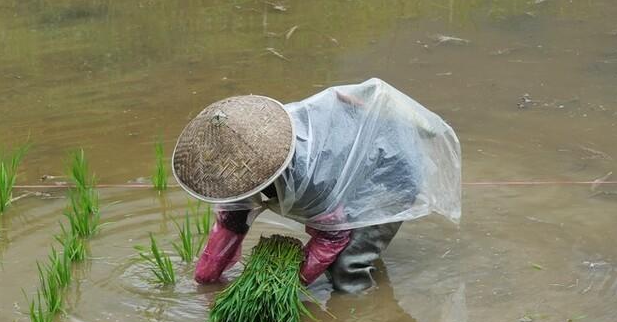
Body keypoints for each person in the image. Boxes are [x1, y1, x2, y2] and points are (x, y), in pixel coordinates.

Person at [171, 78, 461, 293]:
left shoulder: (308, 178)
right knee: (346, 249)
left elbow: (332, 237)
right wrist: (205, 281)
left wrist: (285, 288)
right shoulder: (238, 168)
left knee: (347, 269)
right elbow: (228, 227)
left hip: (392, 169)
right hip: (348, 155)